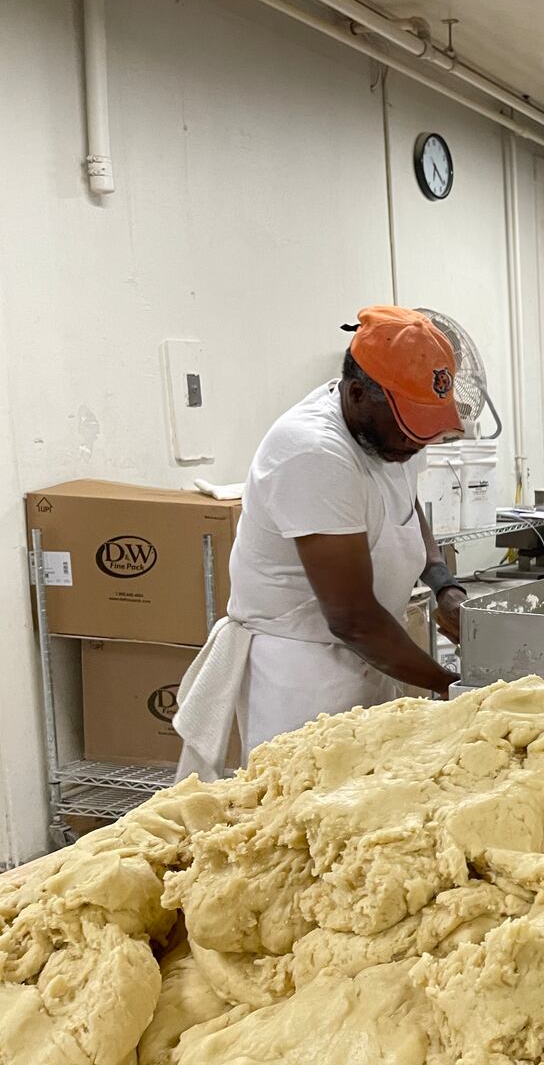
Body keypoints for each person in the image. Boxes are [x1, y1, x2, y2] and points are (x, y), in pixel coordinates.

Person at [175, 306, 471, 779]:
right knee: (307, 819)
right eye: (408, 429)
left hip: (373, 654)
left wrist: (442, 583)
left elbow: (404, 506)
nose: (416, 444)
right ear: (357, 393)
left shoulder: (388, 435)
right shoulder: (314, 452)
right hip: (304, 674)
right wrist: (453, 686)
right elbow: (352, 618)